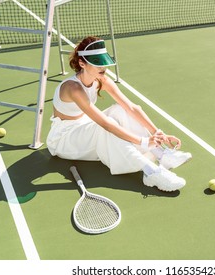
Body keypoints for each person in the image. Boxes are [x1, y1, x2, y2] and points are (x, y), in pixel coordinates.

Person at [46, 36, 191, 192]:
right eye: (97, 64)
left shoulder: (101, 80)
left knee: (119, 109)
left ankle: (162, 155)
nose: (103, 68)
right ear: (82, 64)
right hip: (64, 140)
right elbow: (106, 124)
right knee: (108, 124)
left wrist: (157, 133)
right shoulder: (72, 88)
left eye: (103, 63)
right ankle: (151, 172)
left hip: (84, 128)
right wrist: (142, 141)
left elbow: (131, 107)